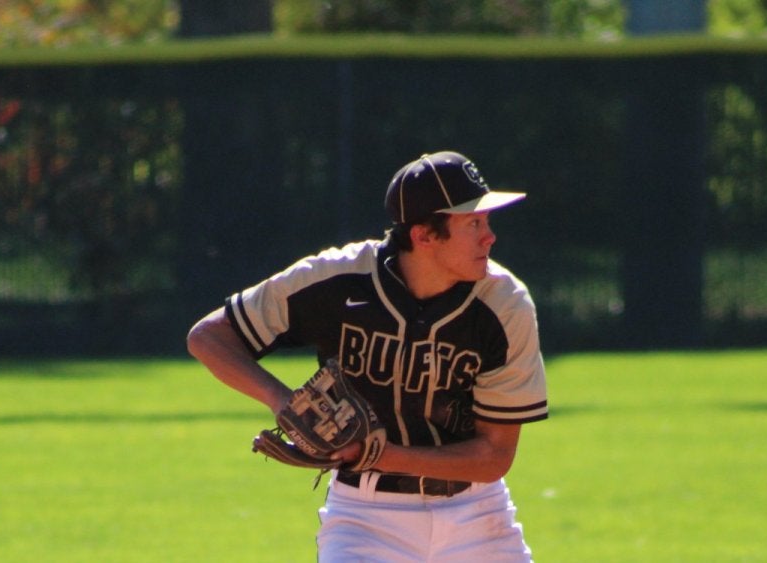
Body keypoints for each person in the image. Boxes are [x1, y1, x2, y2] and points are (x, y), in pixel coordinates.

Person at [187, 150, 549, 562]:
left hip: (477, 516)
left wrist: (381, 455)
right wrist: (282, 401)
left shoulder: (504, 304)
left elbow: (494, 456)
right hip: (366, 518)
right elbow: (210, 337)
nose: (490, 236)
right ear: (424, 235)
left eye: (485, 221)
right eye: (473, 223)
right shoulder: (337, 281)